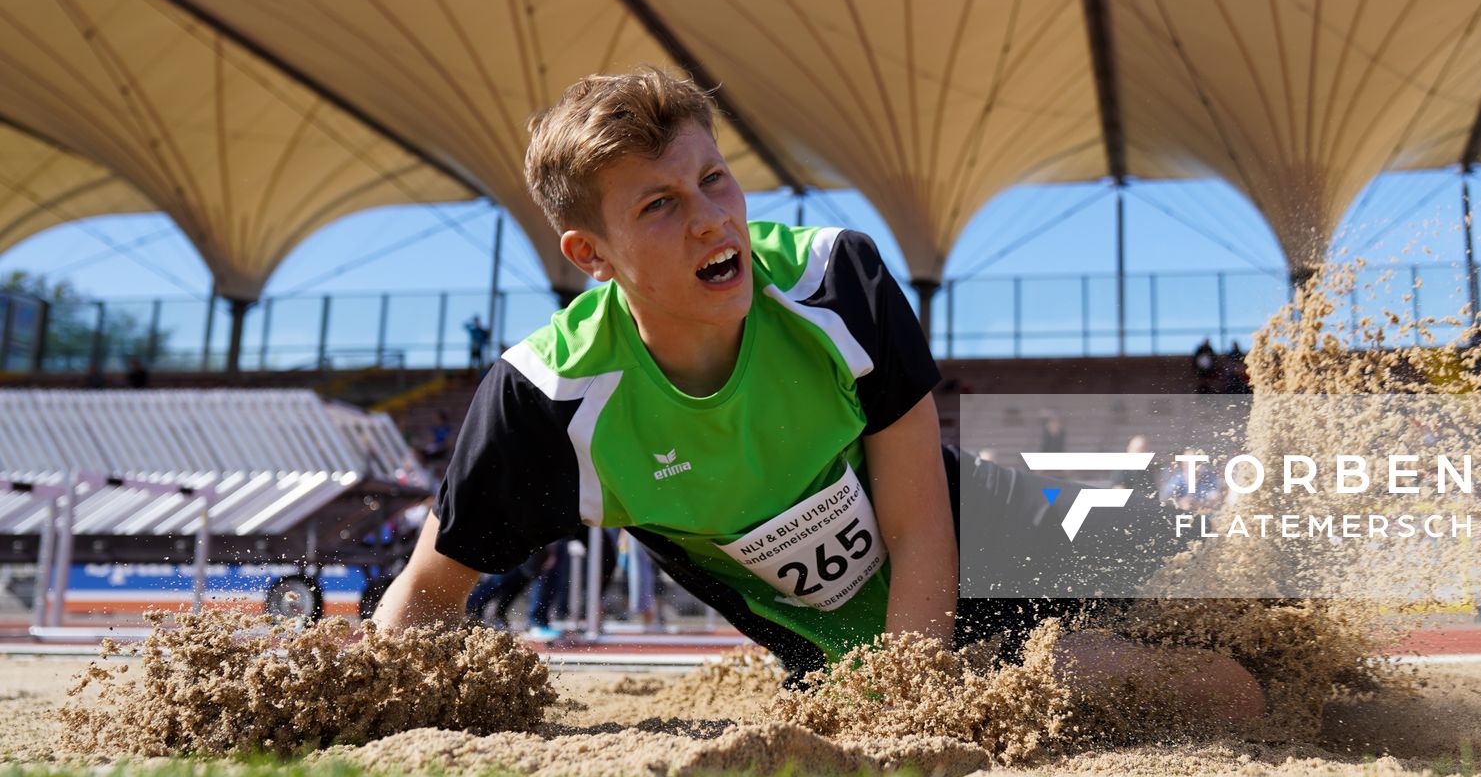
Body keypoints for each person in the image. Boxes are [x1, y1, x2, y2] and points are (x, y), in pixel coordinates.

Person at [374, 67, 1261, 723]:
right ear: (591, 255)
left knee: (1240, 672)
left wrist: (912, 706)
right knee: (1134, 683)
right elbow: (425, 596)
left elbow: (918, 525)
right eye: (659, 206)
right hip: (843, 659)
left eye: (713, 179)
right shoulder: (546, 400)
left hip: (1007, 549)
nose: (712, 219)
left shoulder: (835, 281)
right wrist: (374, 711)